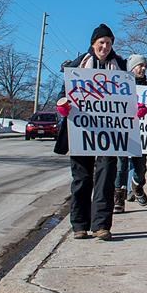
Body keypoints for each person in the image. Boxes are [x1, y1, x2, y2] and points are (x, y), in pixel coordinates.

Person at [55, 24, 128, 242]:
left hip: (110, 132)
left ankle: (101, 226)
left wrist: (137, 108)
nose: (105, 47)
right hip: (81, 130)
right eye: (101, 43)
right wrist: (63, 105)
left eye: (108, 43)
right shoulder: (78, 65)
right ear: (93, 44)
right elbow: (63, 94)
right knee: (82, 179)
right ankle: (79, 224)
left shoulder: (121, 67)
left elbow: (130, 97)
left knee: (105, 178)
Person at [114, 54, 147, 212]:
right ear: (131, 68)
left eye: (145, 66)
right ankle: (119, 198)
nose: (142, 68)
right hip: (123, 133)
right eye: (139, 65)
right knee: (120, 167)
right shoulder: (120, 87)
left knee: (140, 168)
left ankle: (137, 186)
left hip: (142, 135)